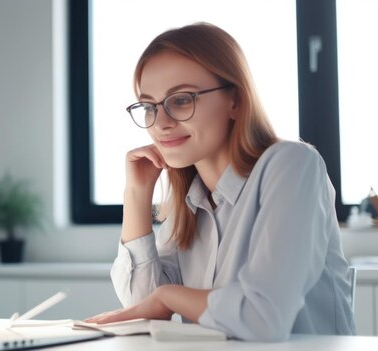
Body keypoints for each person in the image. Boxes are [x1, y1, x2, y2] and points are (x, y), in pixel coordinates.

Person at [85, 22, 356, 341]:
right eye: (148, 106)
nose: (161, 123)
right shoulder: (190, 200)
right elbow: (141, 304)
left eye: (182, 99)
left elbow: (262, 317)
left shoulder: (292, 164)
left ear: (236, 101)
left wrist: (167, 297)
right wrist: (136, 194)